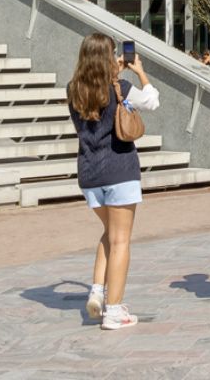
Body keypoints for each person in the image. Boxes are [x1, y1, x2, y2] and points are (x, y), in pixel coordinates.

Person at [67, 33, 160, 330]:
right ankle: (114, 310)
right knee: (121, 240)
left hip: (89, 172)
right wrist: (140, 72)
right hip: (119, 169)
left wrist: (114, 73)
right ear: (109, 57)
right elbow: (152, 102)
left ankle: (98, 290)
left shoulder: (73, 90)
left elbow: (97, 98)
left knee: (109, 233)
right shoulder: (119, 87)